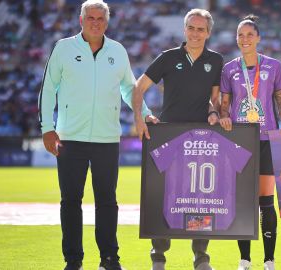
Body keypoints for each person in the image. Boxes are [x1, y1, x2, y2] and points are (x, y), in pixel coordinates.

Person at [38, 1, 155, 269]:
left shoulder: (117, 51)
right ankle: (73, 260)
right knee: (70, 201)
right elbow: (48, 89)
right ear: (81, 21)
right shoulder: (64, 48)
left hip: (106, 138)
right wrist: (47, 127)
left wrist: (145, 114)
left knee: (107, 201)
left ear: (107, 22)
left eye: (100, 18)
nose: (95, 22)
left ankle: (109, 258)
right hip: (69, 138)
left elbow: (129, 89)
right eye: (90, 18)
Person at [131, 9, 223, 270]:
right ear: (185, 30)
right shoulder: (168, 58)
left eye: (201, 29)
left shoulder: (215, 60)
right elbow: (139, 87)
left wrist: (214, 111)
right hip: (168, 136)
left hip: (201, 140)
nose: (195, 33)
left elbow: (214, 98)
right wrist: (140, 117)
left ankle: (201, 257)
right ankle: (158, 257)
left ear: (208, 33)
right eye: (191, 28)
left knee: (201, 197)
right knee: (165, 197)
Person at [219, 15, 281, 270]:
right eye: (241, 35)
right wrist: (224, 117)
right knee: (243, 201)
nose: (245, 39)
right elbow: (225, 105)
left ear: (258, 38)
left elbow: (280, 100)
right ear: (236, 39)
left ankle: (269, 259)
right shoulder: (229, 69)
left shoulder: (273, 66)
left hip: (266, 140)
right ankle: (244, 259)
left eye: (250, 34)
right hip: (240, 142)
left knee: (265, 200)